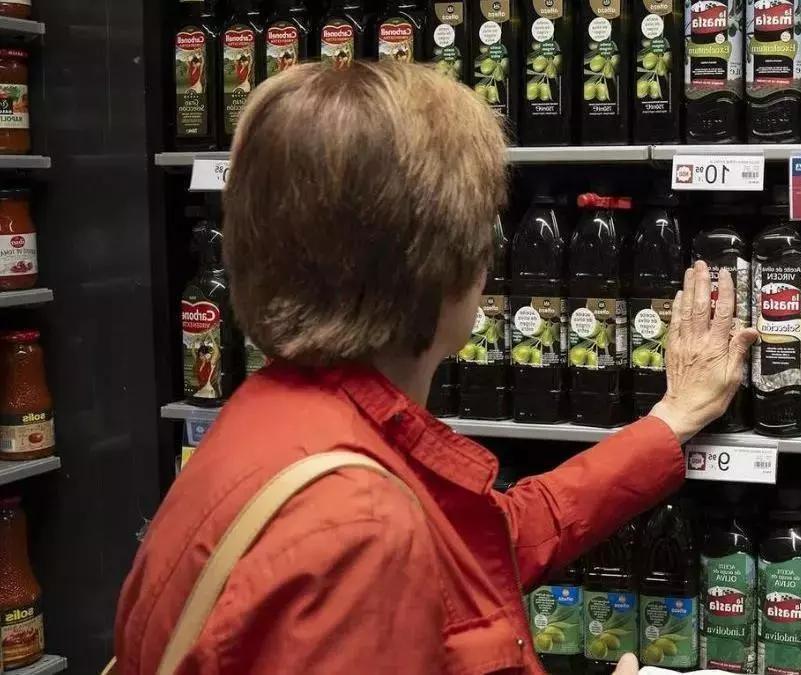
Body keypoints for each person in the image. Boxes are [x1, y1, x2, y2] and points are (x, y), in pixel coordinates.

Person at [113, 61, 756, 673]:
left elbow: (484, 544)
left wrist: (667, 424)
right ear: (450, 269)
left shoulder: (271, 421)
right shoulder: (356, 528)